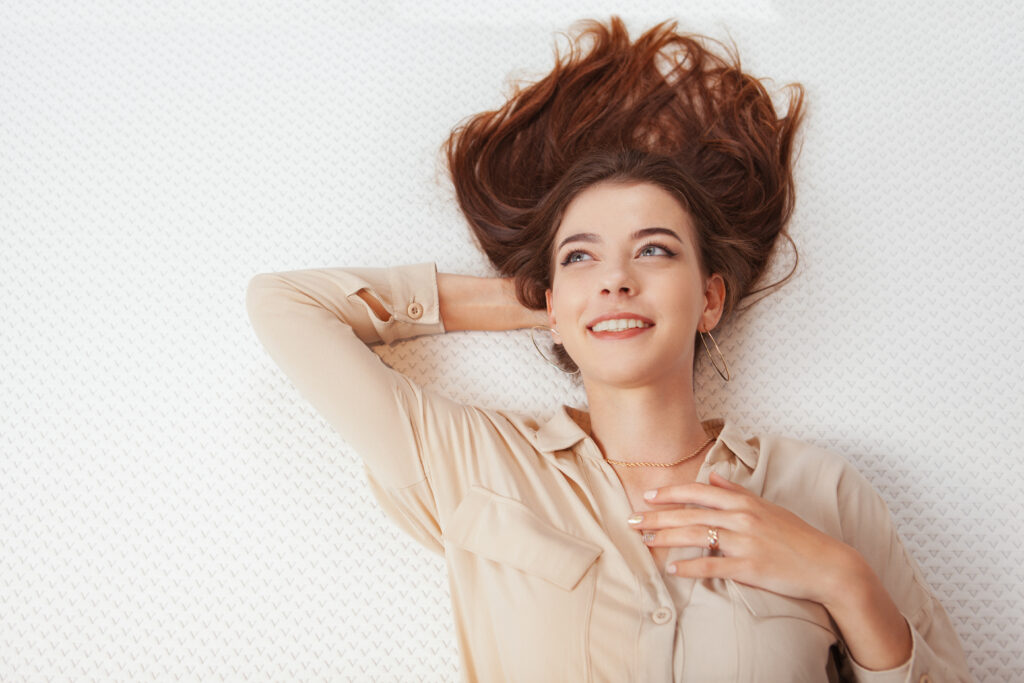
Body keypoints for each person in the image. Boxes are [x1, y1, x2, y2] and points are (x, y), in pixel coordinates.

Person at [245, 16, 974, 683]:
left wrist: (841, 576)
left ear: (711, 298)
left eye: (653, 251)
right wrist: (544, 300)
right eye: (583, 256)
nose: (618, 279)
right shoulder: (473, 463)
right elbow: (288, 306)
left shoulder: (823, 491)